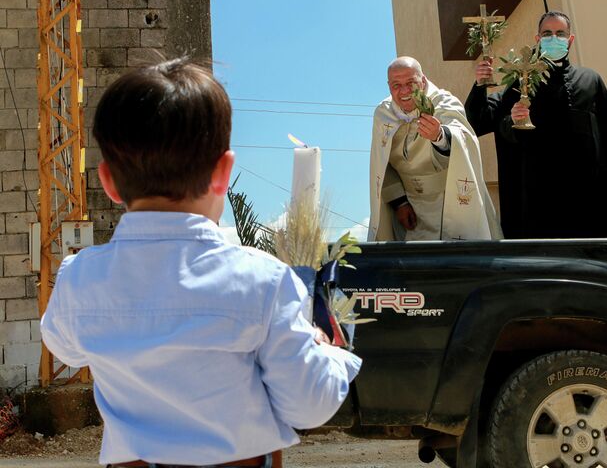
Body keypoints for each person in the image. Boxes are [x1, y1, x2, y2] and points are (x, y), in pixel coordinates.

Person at [40, 58, 361, 468]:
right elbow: (308, 406)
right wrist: (330, 351)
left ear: (108, 181)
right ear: (223, 172)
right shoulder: (263, 282)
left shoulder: (79, 279)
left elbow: (63, 345)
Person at [465, 11, 607, 239]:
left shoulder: (590, 80)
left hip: (586, 192)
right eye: (547, 33)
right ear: (537, 39)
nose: (553, 38)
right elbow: (480, 120)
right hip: (539, 196)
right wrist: (480, 86)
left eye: (559, 33)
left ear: (570, 39)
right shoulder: (520, 81)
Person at [368, 56, 501, 241]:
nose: (404, 91)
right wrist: (399, 202)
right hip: (409, 206)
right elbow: (381, 162)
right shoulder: (383, 113)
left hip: (448, 201)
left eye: (410, 82)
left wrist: (439, 136)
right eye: (396, 85)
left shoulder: (444, 102)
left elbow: (463, 138)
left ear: (422, 80)